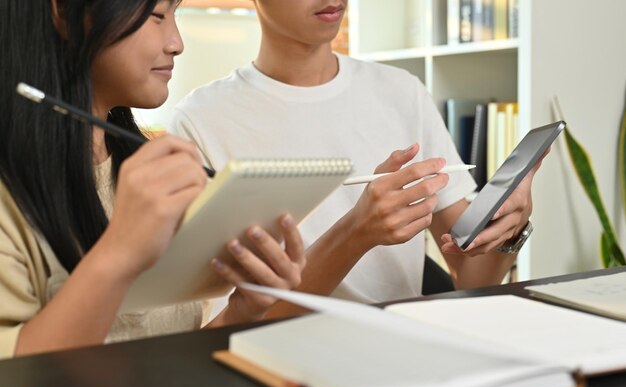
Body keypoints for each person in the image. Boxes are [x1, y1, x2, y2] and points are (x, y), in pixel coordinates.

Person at [171, 0, 543, 316]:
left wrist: (511, 227)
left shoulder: (402, 92)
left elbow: (473, 276)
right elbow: (234, 322)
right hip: (280, 365)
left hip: (402, 356)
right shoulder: (201, 121)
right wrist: (356, 233)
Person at [0, 0, 305, 359]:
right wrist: (121, 251)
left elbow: (169, 362)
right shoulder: (11, 197)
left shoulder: (143, 174)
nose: (177, 43)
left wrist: (243, 310)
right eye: (156, 15)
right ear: (64, 14)